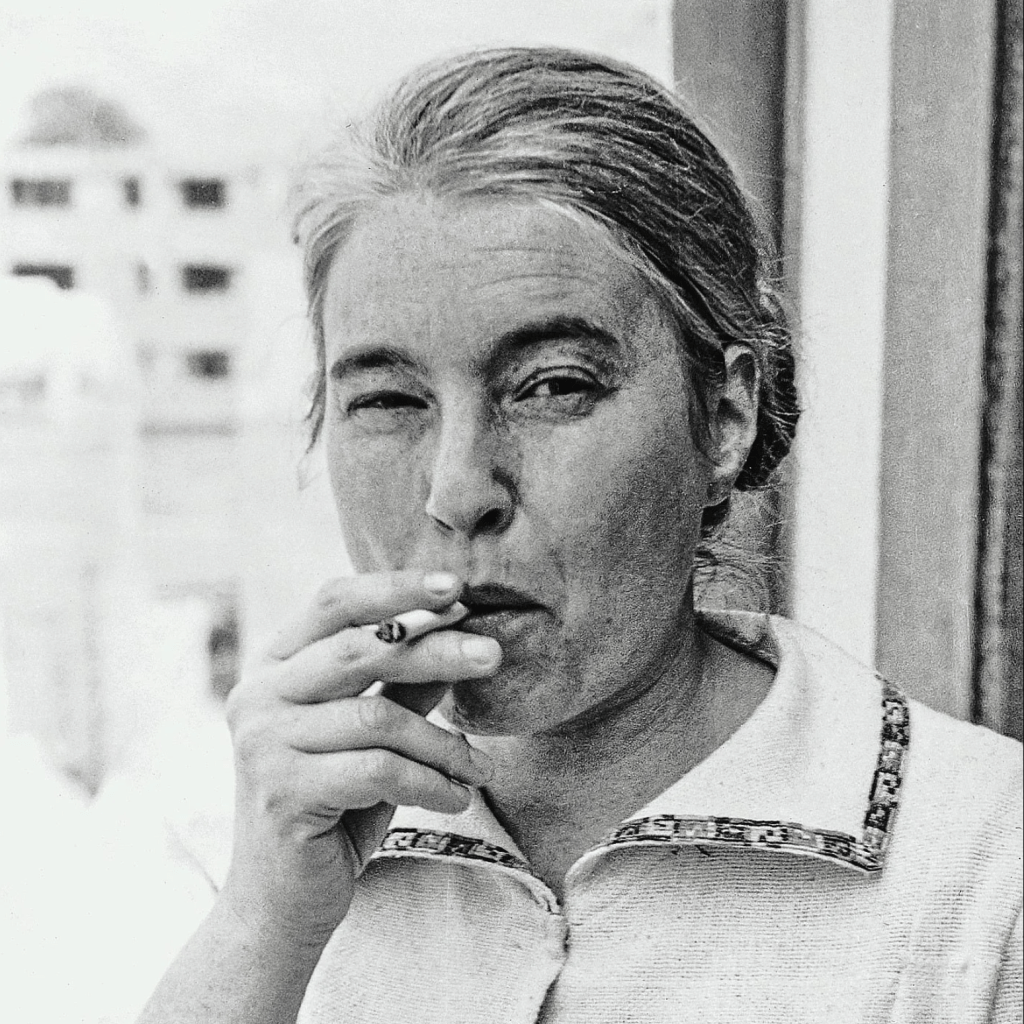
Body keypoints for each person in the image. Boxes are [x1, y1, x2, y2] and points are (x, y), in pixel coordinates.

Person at [138, 47, 1022, 1024]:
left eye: (554, 386)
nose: (458, 491)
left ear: (724, 417)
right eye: (388, 400)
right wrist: (263, 930)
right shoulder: (251, 832)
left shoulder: (983, 880)